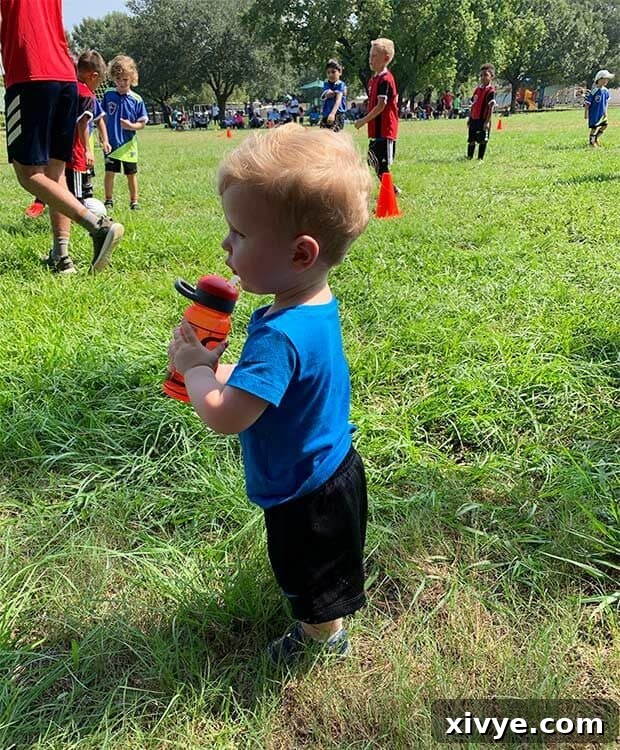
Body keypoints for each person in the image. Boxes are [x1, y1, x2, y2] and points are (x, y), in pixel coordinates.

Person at [167, 124, 372, 667]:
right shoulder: (311, 306)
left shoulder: (279, 334)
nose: (225, 244)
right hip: (331, 469)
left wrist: (195, 372)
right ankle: (325, 622)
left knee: (310, 580)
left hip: (304, 492)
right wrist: (220, 366)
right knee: (319, 568)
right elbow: (275, 382)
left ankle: (322, 641)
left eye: (238, 232)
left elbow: (225, 414)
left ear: (300, 254)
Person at [0, 0, 124, 274]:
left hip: (30, 73)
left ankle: (97, 226)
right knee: (56, 173)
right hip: (65, 77)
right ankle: (62, 257)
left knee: (29, 173)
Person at [102, 55, 148, 211]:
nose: (122, 83)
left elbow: (142, 123)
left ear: (132, 78)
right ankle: (108, 200)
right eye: (118, 79)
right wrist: (104, 138)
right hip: (111, 144)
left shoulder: (137, 99)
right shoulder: (108, 95)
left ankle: (134, 201)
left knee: (131, 174)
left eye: (125, 80)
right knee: (109, 172)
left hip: (128, 145)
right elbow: (102, 117)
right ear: (113, 78)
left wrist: (131, 126)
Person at [354, 38, 400, 194]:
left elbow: (381, 106)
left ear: (385, 59)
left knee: (381, 163)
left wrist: (363, 120)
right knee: (373, 161)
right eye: (370, 55)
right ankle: (390, 190)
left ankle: (390, 192)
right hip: (376, 130)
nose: (370, 59)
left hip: (385, 129)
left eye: (374, 56)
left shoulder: (385, 80)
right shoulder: (374, 79)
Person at [467, 63, 496, 161]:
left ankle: (480, 158)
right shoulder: (477, 90)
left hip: (483, 119)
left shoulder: (490, 91)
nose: (483, 77)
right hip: (474, 118)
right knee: (471, 140)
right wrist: (470, 118)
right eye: (481, 75)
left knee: (482, 140)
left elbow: (491, 107)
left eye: (486, 75)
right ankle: (469, 157)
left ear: (491, 76)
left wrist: (487, 122)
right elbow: (473, 104)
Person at [584, 69, 614, 147]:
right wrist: (586, 113)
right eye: (604, 79)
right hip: (594, 113)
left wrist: (605, 112)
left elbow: (606, 102)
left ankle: (596, 138)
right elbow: (587, 103)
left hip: (602, 113)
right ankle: (592, 142)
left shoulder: (606, 91)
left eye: (607, 79)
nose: (606, 81)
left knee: (605, 125)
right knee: (594, 128)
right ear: (599, 79)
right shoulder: (594, 91)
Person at [320, 59, 347, 132]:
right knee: (324, 137)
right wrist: (335, 93)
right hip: (326, 114)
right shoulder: (326, 83)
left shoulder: (340, 84)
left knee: (335, 137)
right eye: (328, 72)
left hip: (337, 114)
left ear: (340, 72)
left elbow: (338, 99)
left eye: (333, 72)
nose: (330, 75)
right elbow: (327, 94)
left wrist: (332, 114)